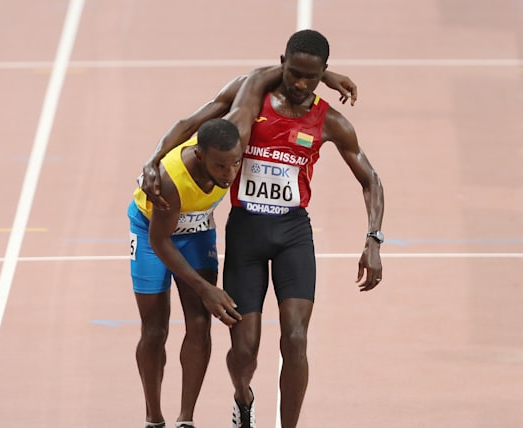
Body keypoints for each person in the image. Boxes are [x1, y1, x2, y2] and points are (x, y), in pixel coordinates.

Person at [141, 29, 384, 428]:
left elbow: (370, 179)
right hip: (246, 233)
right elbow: (192, 121)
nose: (301, 84)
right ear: (282, 63)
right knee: (244, 352)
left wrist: (373, 239)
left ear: (323, 73)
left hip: (293, 233)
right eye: (294, 73)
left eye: (312, 76)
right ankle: (243, 397)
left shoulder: (331, 122)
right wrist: (153, 160)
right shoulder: (249, 96)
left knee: (296, 338)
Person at [129, 118, 244, 428]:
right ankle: (154, 418)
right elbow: (160, 241)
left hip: (197, 231)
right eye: (220, 167)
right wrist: (205, 289)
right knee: (155, 329)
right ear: (200, 155)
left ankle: (186, 420)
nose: (229, 174)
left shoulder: (234, 142)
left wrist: (323, 81)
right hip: (151, 233)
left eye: (235, 163)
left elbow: (212, 106)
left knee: (199, 323)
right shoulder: (170, 181)